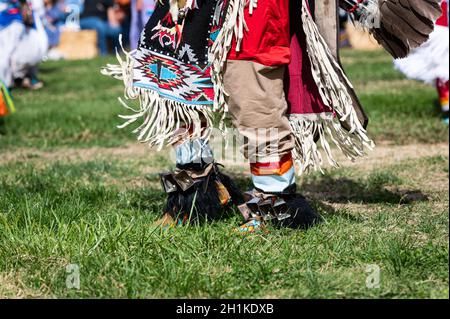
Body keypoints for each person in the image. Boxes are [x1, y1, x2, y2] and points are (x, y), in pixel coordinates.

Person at [103, 0, 442, 232]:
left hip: (251, 9)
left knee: (252, 90)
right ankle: (194, 192)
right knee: (177, 86)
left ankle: (275, 201)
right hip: (187, 6)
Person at [394, 0, 449, 124]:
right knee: (443, 68)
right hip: (433, 27)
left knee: (443, 69)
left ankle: (447, 110)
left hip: (436, 27)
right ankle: (447, 111)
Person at [0, 0, 48, 90]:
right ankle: (6, 83)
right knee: (5, 54)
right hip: (9, 21)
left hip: (19, 21)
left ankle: (23, 78)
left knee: (34, 50)